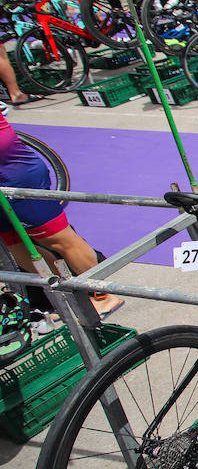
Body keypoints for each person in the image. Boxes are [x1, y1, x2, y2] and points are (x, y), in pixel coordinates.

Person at [0, 56, 122, 319]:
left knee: (59, 238)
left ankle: (100, 294)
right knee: (16, 243)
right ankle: (69, 293)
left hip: (16, 175)